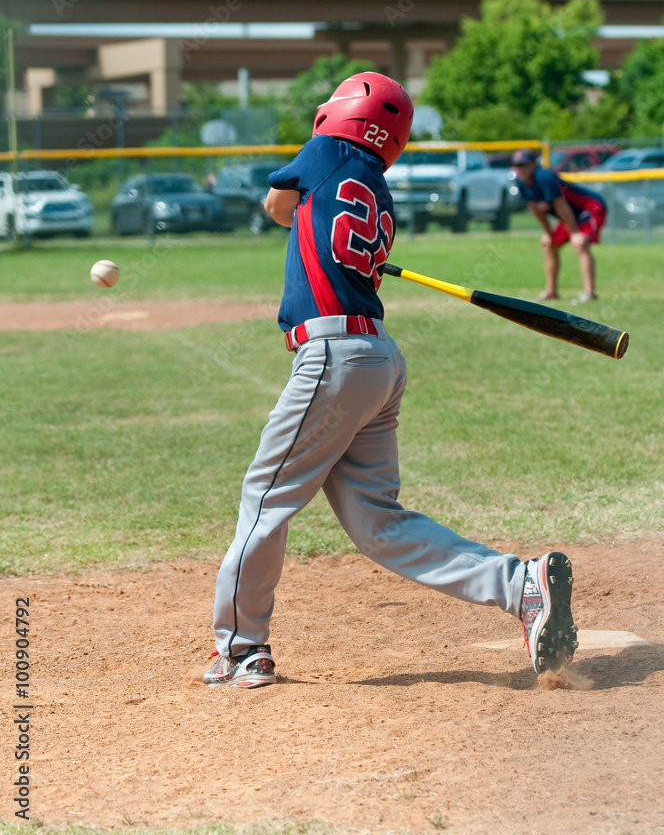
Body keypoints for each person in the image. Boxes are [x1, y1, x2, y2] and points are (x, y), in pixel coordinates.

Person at [203, 73, 577, 689]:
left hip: (333, 357)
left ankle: (242, 648)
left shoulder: (326, 152)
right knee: (378, 522)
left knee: (265, 500)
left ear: (340, 115)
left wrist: (302, 210)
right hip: (377, 360)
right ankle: (521, 584)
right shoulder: (376, 185)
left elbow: (275, 207)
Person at [510, 148, 608, 303]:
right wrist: (548, 233)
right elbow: (535, 209)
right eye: (517, 165)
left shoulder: (544, 176)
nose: (520, 168)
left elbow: (561, 205)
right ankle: (551, 292)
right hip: (569, 216)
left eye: (524, 164)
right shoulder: (521, 182)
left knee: (580, 243)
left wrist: (575, 232)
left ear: (534, 164)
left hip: (590, 208)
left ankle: (589, 293)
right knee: (549, 245)